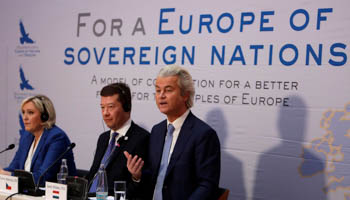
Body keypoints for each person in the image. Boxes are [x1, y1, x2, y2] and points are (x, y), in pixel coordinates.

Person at [125, 65, 221, 200]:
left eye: (168, 90)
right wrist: (137, 175)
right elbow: (154, 175)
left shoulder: (203, 134)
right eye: (158, 90)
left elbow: (207, 185)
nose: (161, 95)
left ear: (185, 94)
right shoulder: (157, 131)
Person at [86, 83, 149, 198]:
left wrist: (136, 178)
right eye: (102, 107)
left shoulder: (141, 138)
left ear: (126, 107)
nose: (105, 113)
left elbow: (141, 188)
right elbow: (92, 176)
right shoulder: (103, 138)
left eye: (110, 107)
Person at [0, 95, 76, 186]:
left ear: (45, 116)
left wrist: (7, 175)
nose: (25, 117)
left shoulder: (57, 138)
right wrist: (3, 173)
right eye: (23, 112)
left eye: (30, 113)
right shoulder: (26, 136)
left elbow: (43, 177)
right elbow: (13, 168)